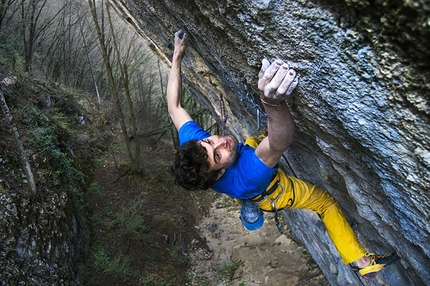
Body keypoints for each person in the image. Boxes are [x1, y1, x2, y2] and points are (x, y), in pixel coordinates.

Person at [167, 29, 399, 280]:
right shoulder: (248, 175)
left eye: (209, 141)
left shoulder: (195, 148)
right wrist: (273, 104)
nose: (221, 141)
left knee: (252, 140)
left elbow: (174, 105)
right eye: (218, 154)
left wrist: (177, 56)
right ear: (220, 172)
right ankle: (361, 261)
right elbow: (279, 142)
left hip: (246, 163)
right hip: (273, 191)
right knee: (325, 203)